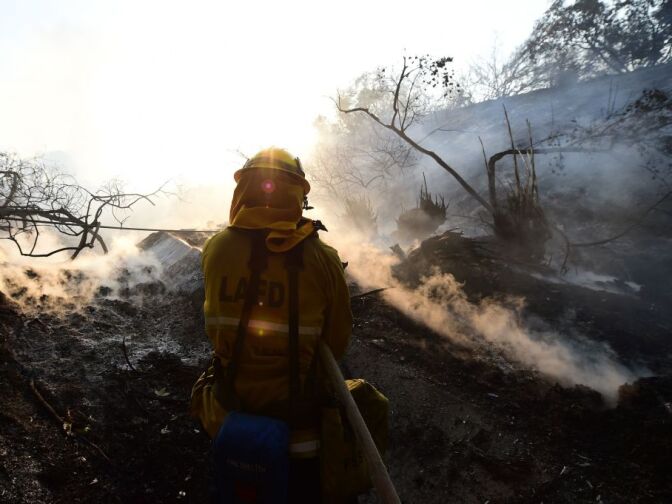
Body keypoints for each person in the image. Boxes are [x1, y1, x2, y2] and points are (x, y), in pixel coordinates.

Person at [191, 147, 353, 503]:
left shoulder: (216, 249)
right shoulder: (322, 257)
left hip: (229, 422)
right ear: (298, 194)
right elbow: (337, 341)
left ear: (242, 189)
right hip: (300, 438)